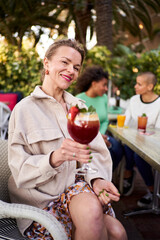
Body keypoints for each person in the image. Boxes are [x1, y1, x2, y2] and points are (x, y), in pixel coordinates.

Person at [8, 39, 127, 240]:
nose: (70, 70)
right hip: (43, 203)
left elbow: (97, 152)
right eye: (64, 62)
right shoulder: (24, 110)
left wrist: (96, 179)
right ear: (46, 63)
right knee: (94, 215)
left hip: (79, 191)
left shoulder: (80, 107)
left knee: (118, 232)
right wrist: (55, 157)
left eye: (76, 67)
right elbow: (19, 171)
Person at [123, 72, 160, 208]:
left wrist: (142, 136)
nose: (135, 86)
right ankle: (128, 173)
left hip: (152, 142)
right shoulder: (134, 100)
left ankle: (151, 191)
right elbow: (125, 120)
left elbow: (158, 130)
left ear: (150, 86)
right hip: (134, 139)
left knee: (138, 156)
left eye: (139, 84)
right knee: (127, 146)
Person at [76, 66, 124, 171]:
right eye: (104, 85)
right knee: (107, 152)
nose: (106, 89)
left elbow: (105, 120)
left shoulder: (104, 98)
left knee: (118, 149)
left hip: (102, 134)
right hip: (86, 138)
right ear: (94, 84)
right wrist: (97, 138)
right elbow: (77, 125)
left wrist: (101, 135)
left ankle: (106, 176)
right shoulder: (79, 99)